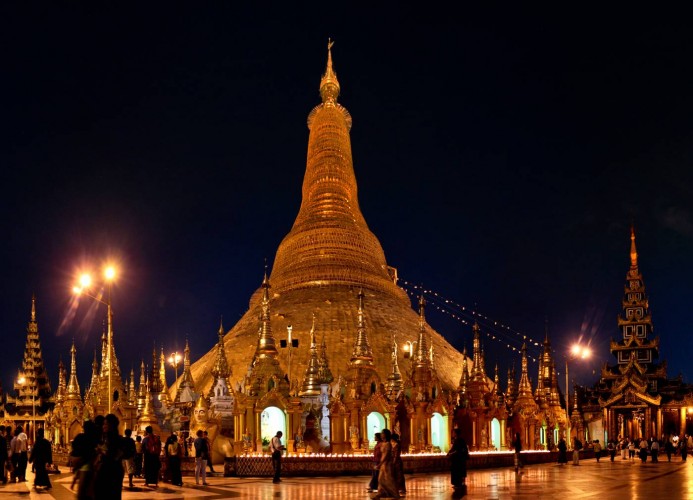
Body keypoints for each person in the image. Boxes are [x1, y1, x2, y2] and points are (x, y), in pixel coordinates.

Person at [93, 413, 125, 500]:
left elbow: (115, 457)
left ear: (112, 425)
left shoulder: (118, 439)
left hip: (113, 472)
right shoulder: (103, 438)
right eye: (103, 424)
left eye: (106, 424)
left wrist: (102, 451)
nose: (103, 426)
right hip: (104, 471)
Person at [373, 428, 399, 499]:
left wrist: (380, 464)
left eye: (382, 433)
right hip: (383, 463)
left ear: (386, 435)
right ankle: (381, 493)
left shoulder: (388, 444)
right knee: (381, 479)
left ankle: (395, 494)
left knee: (389, 479)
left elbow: (386, 455)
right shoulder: (383, 443)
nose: (381, 434)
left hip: (387, 463)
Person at [447, 428, 470, 493]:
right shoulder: (457, 440)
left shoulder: (459, 440)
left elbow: (457, 450)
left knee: (458, 471)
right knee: (458, 471)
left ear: (456, 433)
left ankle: (458, 483)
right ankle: (458, 483)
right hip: (458, 459)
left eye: (453, 432)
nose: (452, 434)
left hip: (458, 459)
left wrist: (451, 453)